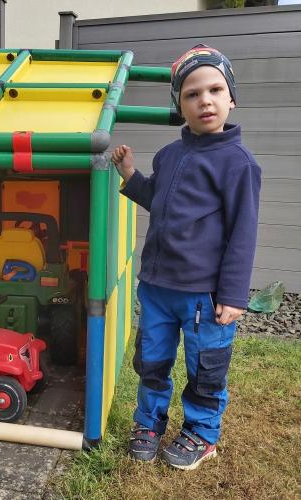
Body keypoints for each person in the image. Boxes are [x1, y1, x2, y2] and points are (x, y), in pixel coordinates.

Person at [111, 44, 261, 470]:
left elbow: (243, 234)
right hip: (157, 288)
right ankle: (149, 423)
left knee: (206, 367)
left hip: (203, 295)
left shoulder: (238, 164)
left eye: (215, 89)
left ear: (231, 97)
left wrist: (232, 295)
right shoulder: (170, 155)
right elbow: (159, 200)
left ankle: (200, 432)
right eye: (192, 93)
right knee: (152, 360)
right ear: (179, 103)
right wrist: (131, 177)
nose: (205, 100)